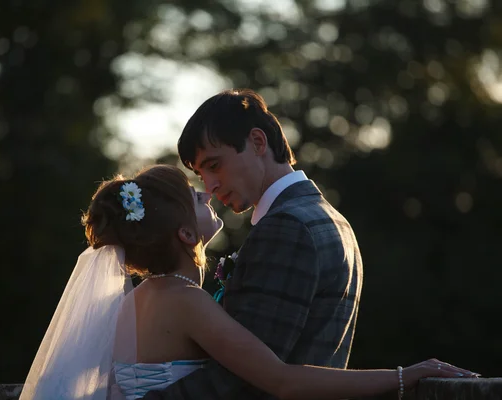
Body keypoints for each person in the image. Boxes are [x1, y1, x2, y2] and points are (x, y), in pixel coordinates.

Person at [19, 165, 475, 400]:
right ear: (183, 233)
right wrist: (403, 376)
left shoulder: (135, 301)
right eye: (192, 195)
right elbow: (281, 381)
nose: (206, 191)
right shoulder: (183, 300)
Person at [143, 88, 363, 399]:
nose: (210, 186)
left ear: (258, 142)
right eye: (201, 173)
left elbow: (244, 379)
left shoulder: (287, 227)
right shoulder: (331, 219)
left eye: (214, 165)